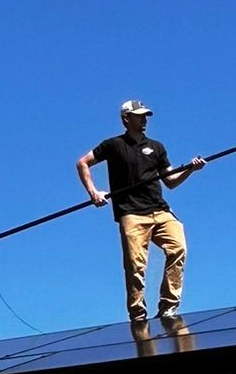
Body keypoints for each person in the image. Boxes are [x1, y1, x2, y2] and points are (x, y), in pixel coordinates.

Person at [76, 100, 206, 328]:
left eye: (145, 116)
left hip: (160, 209)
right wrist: (93, 193)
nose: (144, 120)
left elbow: (170, 181)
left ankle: (168, 307)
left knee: (178, 248)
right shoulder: (113, 145)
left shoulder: (156, 147)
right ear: (126, 118)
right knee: (136, 266)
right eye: (139, 116)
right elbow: (83, 163)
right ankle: (138, 317)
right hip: (132, 214)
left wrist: (190, 169)